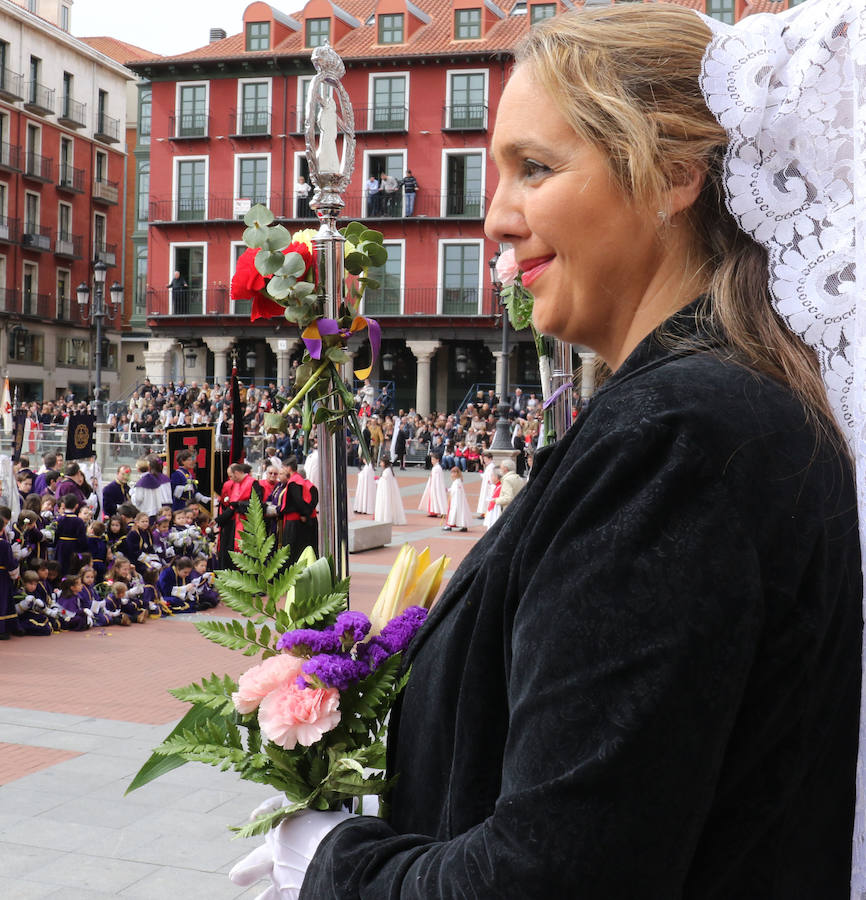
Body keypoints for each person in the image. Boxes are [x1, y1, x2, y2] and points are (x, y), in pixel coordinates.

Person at [232, 5, 863, 898]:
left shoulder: (676, 440)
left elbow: (549, 876)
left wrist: (333, 866)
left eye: (535, 168)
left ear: (674, 173)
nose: (495, 219)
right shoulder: (719, 410)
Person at [373, 457, 405, 526]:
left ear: (385, 463)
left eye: (381, 462)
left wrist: (377, 481)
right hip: (385, 492)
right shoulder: (388, 471)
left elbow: (384, 482)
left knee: (386, 504)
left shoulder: (387, 471)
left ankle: (386, 518)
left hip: (385, 493)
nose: (380, 463)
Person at [418, 450, 448, 518]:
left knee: (438, 498)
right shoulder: (435, 468)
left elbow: (438, 480)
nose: (432, 461)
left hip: (436, 487)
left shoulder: (437, 468)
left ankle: (441, 511)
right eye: (432, 459)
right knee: (433, 499)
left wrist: (436, 486)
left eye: (433, 459)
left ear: (437, 460)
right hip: (433, 486)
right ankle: (434, 511)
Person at [442, 466, 470, 532]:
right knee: (459, 513)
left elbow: (455, 492)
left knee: (452, 512)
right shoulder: (458, 482)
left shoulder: (457, 482)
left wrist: (451, 495)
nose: (451, 475)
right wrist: (448, 490)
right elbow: (454, 490)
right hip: (457, 501)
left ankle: (449, 525)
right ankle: (463, 525)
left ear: (456, 474)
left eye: (453, 473)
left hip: (455, 501)